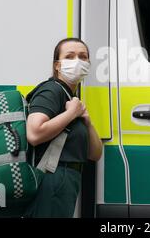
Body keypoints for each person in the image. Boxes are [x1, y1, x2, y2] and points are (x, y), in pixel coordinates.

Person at [24, 37, 102, 218]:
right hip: (53, 177)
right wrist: (70, 114)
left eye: (83, 57)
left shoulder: (71, 97)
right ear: (57, 65)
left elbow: (95, 154)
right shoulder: (52, 90)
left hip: (67, 178)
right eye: (70, 56)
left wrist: (87, 123)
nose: (77, 61)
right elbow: (34, 133)